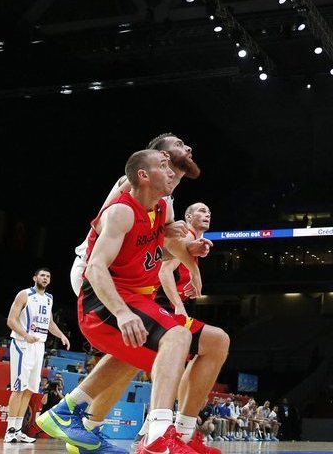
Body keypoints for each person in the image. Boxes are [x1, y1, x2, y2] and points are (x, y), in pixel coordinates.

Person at [37, 150, 229, 454]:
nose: (170, 171)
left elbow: (157, 253)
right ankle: (156, 436)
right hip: (103, 292)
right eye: (163, 164)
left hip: (138, 294)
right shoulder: (123, 206)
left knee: (213, 341)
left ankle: (178, 432)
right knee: (171, 339)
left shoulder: (162, 208)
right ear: (144, 173)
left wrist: (188, 251)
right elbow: (97, 264)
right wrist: (122, 311)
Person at [5, 268, 70, 444]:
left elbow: (49, 323)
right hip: (22, 344)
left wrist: (61, 335)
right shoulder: (24, 294)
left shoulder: (49, 299)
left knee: (29, 390)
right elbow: (11, 320)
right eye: (42, 275)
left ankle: (18, 430)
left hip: (38, 346)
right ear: (35, 278)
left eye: (48, 276)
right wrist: (25, 335)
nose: (45, 278)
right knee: (18, 388)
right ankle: (9, 430)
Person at [157, 202, 212, 316]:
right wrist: (179, 306)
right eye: (202, 211)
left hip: (168, 303)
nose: (207, 215)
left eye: (209, 213)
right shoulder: (187, 236)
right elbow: (164, 272)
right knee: (219, 334)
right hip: (161, 302)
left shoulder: (193, 239)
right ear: (188, 216)